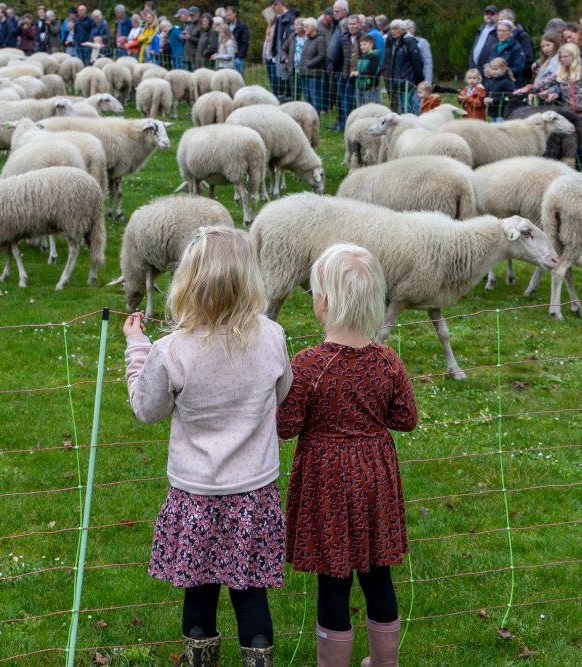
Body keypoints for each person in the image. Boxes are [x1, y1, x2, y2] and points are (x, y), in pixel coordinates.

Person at [124, 226, 292, 667]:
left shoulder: (171, 349)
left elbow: (147, 408)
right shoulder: (272, 336)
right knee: (250, 592)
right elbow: (281, 392)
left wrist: (136, 349)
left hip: (195, 495)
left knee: (199, 590)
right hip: (254, 493)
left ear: (188, 281)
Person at [278, 243, 417, 667]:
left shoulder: (306, 364)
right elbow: (405, 417)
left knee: (333, 575)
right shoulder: (387, 360)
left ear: (322, 302)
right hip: (375, 474)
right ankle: (384, 662)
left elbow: (285, 427)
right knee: (378, 571)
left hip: (326, 477)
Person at [516, 43, 582, 171]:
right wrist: (527, 88)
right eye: (561, 57)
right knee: (572, 146)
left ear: (573, 56)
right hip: (569, 115)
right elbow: (543, 84)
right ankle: (575, 171)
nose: (562, 59)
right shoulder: (560, 73)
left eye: (565, 56)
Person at [332, 14, 362, 131]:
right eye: (350, 24)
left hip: (359, 74)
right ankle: (345, 124)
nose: (352, 26)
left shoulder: (365, 37)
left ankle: (356, 124)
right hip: (345, 74)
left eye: (354, 24)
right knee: (345, 100)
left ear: (359, 24)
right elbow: (337, 55)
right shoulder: (343, 38)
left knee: (357, 101)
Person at [389, 18, 422, 114]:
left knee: (411, 107)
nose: (393, 31)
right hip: (399, 82)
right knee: (403, 107)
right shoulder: (395, 42)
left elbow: (417, 62)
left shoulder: (409, 42)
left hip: (409, 82)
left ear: (403, 30)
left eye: (396, 29)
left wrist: (418, 80)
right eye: (392, 29)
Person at [293, 17, 326, 110]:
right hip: (304, 73)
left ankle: (316, 117)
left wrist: (309, 64)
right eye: (304, 27)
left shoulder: (320, 39)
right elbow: (304, 56)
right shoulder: (307, 40)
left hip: (314, 74)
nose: (304, 29)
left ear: (313, 27)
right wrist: (300, 65)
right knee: (307, 97)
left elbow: (322, 56)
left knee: (315, 97)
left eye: (306, 27)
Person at [484, 20, 525, 87]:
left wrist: (501, 72)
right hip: (493, 84)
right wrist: (488, 71)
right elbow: (489, 63)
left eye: (504, 31)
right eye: (499, 31)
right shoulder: (494, 47)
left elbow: (519, 68)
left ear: (511, 32)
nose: (501, 33)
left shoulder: (517, 47)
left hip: (509, 85)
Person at [498, 8, 534, 85]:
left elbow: (528, 58)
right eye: (499, 21)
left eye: (502, 20)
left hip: (516, 78)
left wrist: (513, 72)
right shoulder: (498, 41)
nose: (499, 23)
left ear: (512, 19)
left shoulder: (522, 36)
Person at [352, 32, 381, 106]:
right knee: (359, 106)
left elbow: (373, 71)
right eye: (361, 44)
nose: (362, 47)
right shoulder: (361, 56)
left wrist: (359, 73)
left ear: (371, 44)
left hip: (370, 87)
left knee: (369, 107)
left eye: (364, 44)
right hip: (360, 85)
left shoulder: (374, 57)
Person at [469, 4, 499, 74]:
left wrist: (488, 68)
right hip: (474, 71)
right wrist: (471, 66)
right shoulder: (480, 30)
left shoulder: (498, 31)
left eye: (492, 14)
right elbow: (472, 50)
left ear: (497, 15)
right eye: (486, 13)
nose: (489, 16)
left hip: (488, 72)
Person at [406, 20, 432, 87]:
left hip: (419, 79)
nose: (406, 31)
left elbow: (428, 63)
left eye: (408, 29)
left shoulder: (422, 42)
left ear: (413, 29)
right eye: (404, 29)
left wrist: (428, 82)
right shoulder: (401, 43)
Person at [225, 6, 248, 75]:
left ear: (235, 14)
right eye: (227, 15)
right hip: (228, 56)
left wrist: (239, 55)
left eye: (230, 15)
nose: (228, 17)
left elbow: (245, 42)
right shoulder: (226, 26)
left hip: (238, 57)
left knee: (238, 76)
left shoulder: (242, 26)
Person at [181, 6, 200, 71]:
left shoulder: (201, 26)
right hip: (186, 55)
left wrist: (190, 38)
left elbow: (201, 41)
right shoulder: (189, 25)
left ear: (197, 13)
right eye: (190, 15)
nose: (191, 16)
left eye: (193, 14)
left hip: (195, 57)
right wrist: (185, 36)